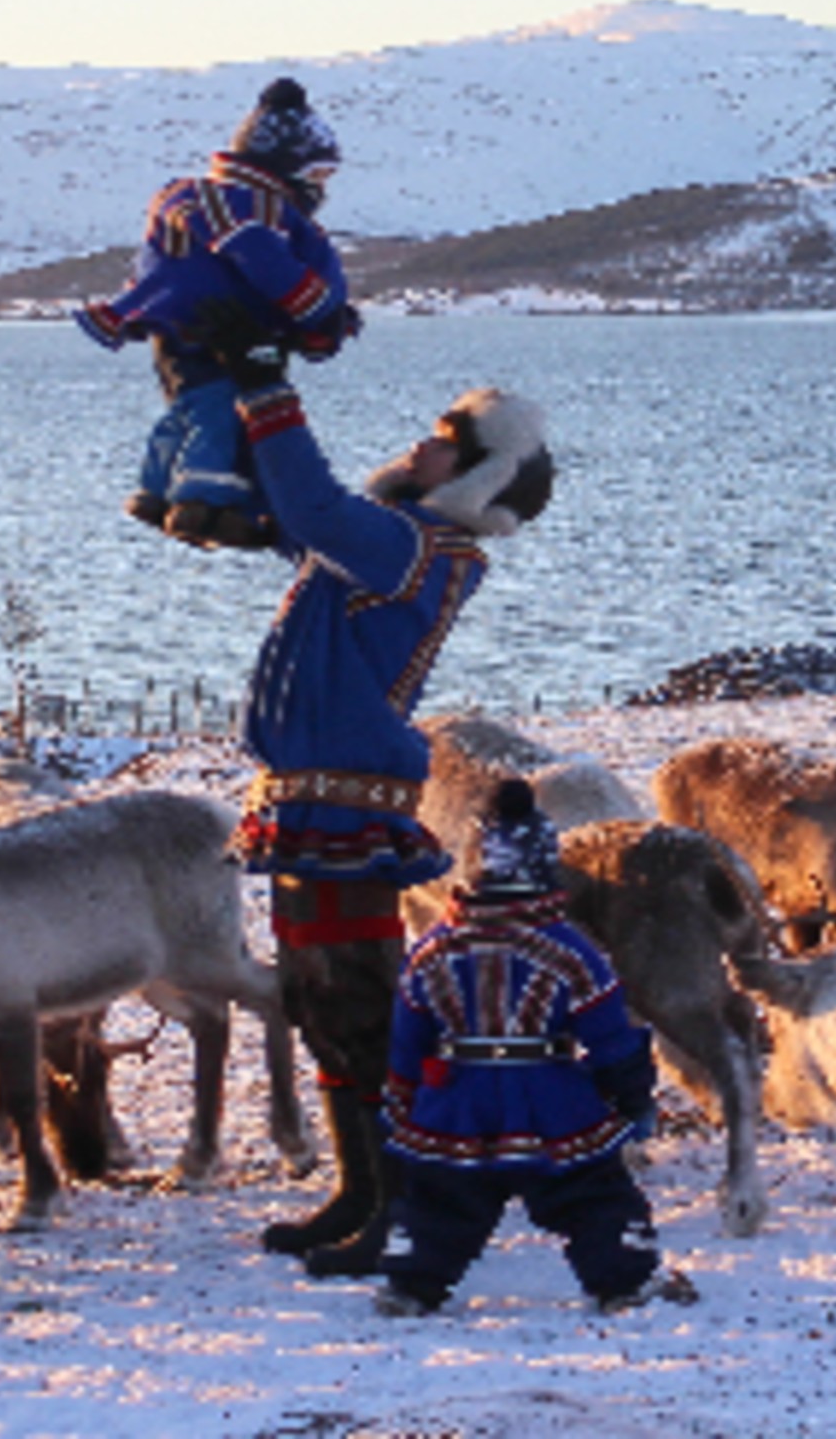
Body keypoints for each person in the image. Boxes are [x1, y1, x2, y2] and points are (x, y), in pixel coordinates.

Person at [218, 346, 557, 1275]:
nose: (424, 442)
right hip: (309, 796)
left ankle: (401, 1201)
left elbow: (311, 508)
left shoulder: (416, 549)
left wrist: (267, 397)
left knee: (360, 999)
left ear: (485, 473)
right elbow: (294, 519)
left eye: (449, 441)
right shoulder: (392, 539)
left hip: (347, 803)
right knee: (318, 999)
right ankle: (361, 1189)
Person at [372, 777, 692, 1317]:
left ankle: (412, 1281)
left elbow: (408, 1036)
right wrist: (631, 1096)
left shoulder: (432, 951)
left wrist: (402, 1096)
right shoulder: (569, 951)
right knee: (592, 1197)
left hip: (455, 1107)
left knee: (441, 1200)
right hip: (553, 1104)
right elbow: (610, 1036)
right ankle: (622, 1278)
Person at [73, 77, 362, 550]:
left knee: (191, 408)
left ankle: (167, 490)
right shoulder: (243, 209)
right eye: (317, 175)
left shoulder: (197, 199)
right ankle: (201, 499)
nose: (320, 188)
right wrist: (313, 307)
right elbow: (259, 255)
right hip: (221, 330)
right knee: (221, 413)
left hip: (193, 329)